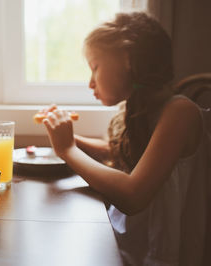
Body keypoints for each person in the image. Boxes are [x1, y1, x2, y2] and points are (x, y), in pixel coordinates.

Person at [42, 12, 210, 265]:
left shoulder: (180, 112)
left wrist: (67, 149)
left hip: (163, 256)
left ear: (128, 59)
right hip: (133, 245)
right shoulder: (138, 110)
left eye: (95, 67)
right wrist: (67, 138)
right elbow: (118, 152)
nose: (90, 83)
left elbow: (133, 195)